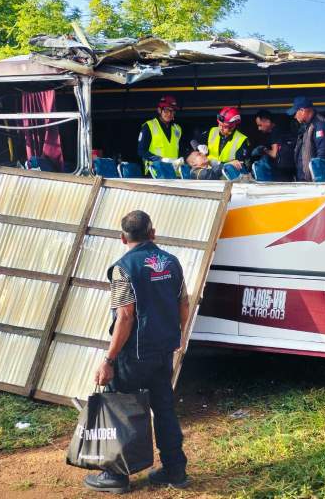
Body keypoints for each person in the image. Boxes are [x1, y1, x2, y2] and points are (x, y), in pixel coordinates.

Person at [86, 210, 190, 493]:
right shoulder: (171, 263)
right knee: (164, 408)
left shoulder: (124, 268)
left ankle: (116, 476)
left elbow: (126, 317)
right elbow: (184, 304)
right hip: (163, 350)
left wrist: (108, 360)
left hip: (134, 355)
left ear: (122, 238)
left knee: (120, 410)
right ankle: (175, 470)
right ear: (152, 233)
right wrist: (177, 337)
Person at [288, 96, 325, 182]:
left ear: (302, 111)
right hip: (307, 181)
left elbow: (323, 153)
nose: (295, 116)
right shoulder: (307, 126)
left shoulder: (319, 125)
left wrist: (318, 178)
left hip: (317, 182)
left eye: (295, 113)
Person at [193, 106, 250, 173]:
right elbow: (193, 141)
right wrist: (198, 147)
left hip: (227, 177)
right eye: (219, 125)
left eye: (225, 127)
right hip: (208, 175)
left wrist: (221, 164)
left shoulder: (242, 140)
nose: (221, 128)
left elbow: (241, 165)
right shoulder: (212, 131)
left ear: (233, 126)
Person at [138, 96, 183, 175]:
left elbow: (179, 150)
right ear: (159, 110)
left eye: (172, 111)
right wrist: (161, 159)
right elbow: (142, 151)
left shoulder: (177, 129)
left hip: (173, 172)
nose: (169, 114)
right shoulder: (149, 126)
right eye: (166, 110)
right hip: (155, 172)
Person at [253, 109, 296, 181]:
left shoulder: (274, 133)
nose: (259, 128)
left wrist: (263, 150)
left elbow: (274, 154)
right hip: (289, 170)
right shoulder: (281, 129)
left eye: (260, 125)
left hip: (280, 172)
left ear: (267, 121)